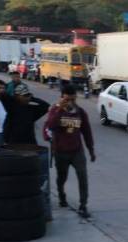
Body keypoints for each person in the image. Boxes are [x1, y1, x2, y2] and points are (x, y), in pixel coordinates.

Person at [44, 83, 95, 219]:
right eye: (67, 99)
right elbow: (50, 126)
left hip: (77, 151)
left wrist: (91, 150)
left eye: (73, 99)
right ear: (61, 98)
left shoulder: (80, 112)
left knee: (82, 177)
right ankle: (62, 195)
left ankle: (83, 205)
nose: (70, 102)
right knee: (62, 178)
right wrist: (60, 108)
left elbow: (87, 132)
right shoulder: (54, 110)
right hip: (61, 151)